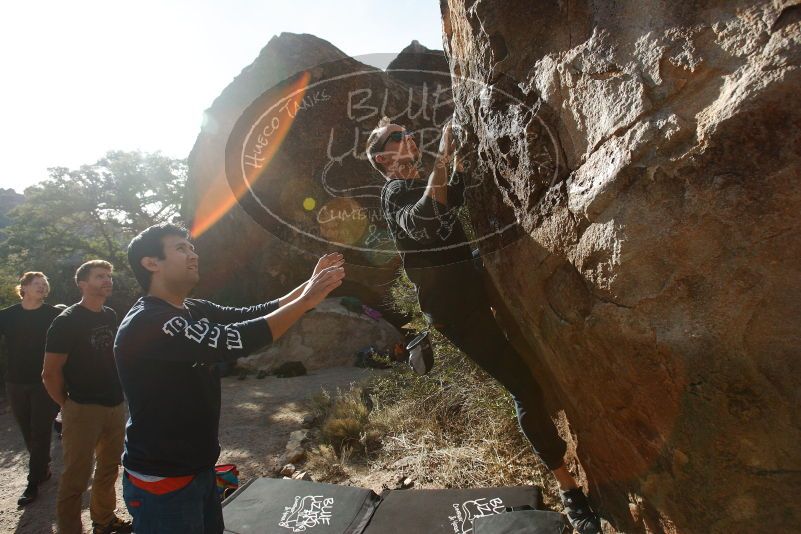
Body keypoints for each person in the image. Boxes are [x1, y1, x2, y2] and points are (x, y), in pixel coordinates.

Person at [367, 117, 602, 534]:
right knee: (523, 386)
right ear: (385, 158)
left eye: (409, 132)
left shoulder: (417, 182)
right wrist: (442, 155)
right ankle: (569, 491)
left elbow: (453, 193)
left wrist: (458, 158)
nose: (410, 137)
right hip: (457, 312)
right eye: (398, 137)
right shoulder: (393, 193)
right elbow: (423, 218)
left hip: (481, 288)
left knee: (539, 369)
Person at [114, 223, 345, 533]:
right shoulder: (148, 322)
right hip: (163, 481)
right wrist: (306, 301)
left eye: (192, 247)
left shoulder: (193, 309)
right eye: (180, 248)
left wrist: (309, 286)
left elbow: (255, 313)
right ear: (151, 262)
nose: (193, 255)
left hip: (199, 469)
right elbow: (233, 339)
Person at [42, 260, 131, 534]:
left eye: (109, 276)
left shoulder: (110, 315)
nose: (107, 281)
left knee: (108, 469)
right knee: (75, 479)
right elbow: (50, 373)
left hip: (115, 405)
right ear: (82, 283)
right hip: (82, 408)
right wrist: (67, 405)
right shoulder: (66, 321)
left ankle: (104, 521)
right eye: (99, 276)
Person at [0, 272, 61, 505]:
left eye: (45, 284)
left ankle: (33, 481)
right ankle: (42, 466)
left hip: (44, 380)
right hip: (15, 381)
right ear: (24, 287)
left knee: (40, 430)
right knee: (27, 429)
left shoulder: (54, 315)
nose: (43, 288)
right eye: (37, 284)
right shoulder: (7, 316)